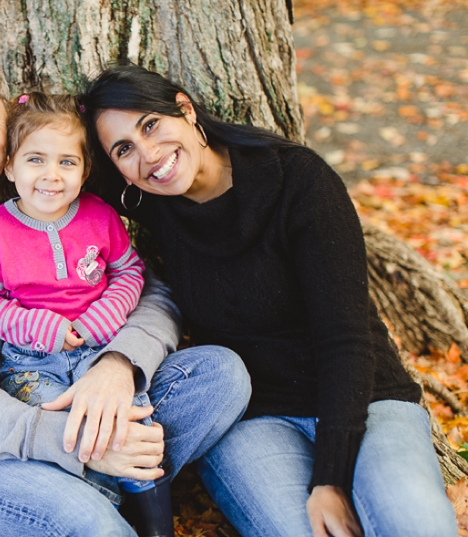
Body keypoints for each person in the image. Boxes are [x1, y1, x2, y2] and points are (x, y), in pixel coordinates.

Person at [0, 39, 251, 537]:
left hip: (86, 380)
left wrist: (118, 365)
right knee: (89, 523)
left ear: (3, 115)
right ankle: (101, 490)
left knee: (221, 376)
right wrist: (79, 438)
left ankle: (109, 481)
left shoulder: (51, 179)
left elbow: (149, 289)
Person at [80, 64, 458, 537]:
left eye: (151, 124)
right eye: (124, 149)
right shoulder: (153, 198)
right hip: (255, 419)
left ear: (185, 109)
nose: (149, 154)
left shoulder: (299, 182)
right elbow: (53, 165)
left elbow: (346, 340)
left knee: (413, 522)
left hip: (364, 398)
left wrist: (331, 479)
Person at [0, 91, 172, 535]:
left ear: (84, 169)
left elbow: (129, 272)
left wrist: (102, 318)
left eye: (66, 162)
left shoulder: (99, 217)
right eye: (36, 160)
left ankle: (154, 527)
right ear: (9, 167)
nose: (51, 176)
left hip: (102, 351)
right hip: (30, 364)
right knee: (66, 433)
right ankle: (102, 513)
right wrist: (39, 328)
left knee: (133, 421)